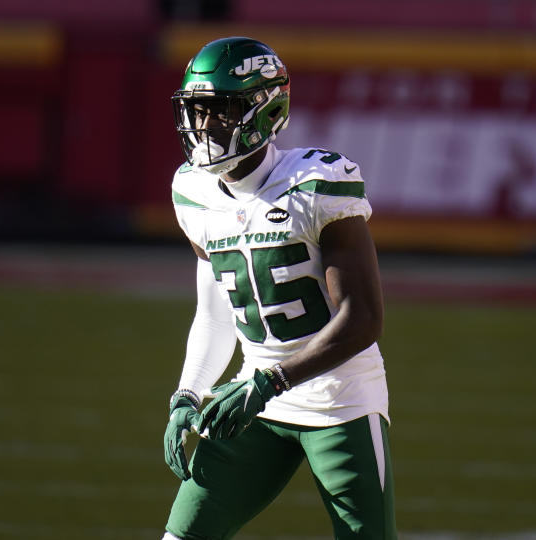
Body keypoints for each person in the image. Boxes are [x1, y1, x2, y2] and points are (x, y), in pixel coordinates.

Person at [161, 37, 395, 539]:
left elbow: (363, 319)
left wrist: (271, 382)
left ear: (264, 112)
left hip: (339, 399)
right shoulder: (193, 193)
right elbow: (215, 313)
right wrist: (188, 393)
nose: (202, 127)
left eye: (218, 112)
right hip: (254, 401)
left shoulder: (316, 183)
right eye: (196, 112)